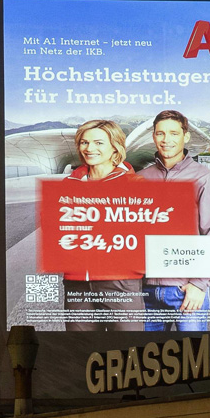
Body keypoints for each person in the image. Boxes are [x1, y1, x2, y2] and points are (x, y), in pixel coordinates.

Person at [137, 109, 210, 331]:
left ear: (185, 136)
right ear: (154, 136)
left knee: (192, 361)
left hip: (185, 292)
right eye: (160, 133)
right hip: (146, 293)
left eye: (174, 133)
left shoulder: (203, 178)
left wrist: (198, 284)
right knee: (144, 362)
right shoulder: (141, 179)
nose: (166, 140)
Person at [60, 119, 145, 330]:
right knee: (80, 355)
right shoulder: (68, 185)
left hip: (120, 283)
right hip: (77, 284)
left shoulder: (135, 185)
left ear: (114, 147)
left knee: (127, 355)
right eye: (84, 142)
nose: (90, 148)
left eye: (99, 143)